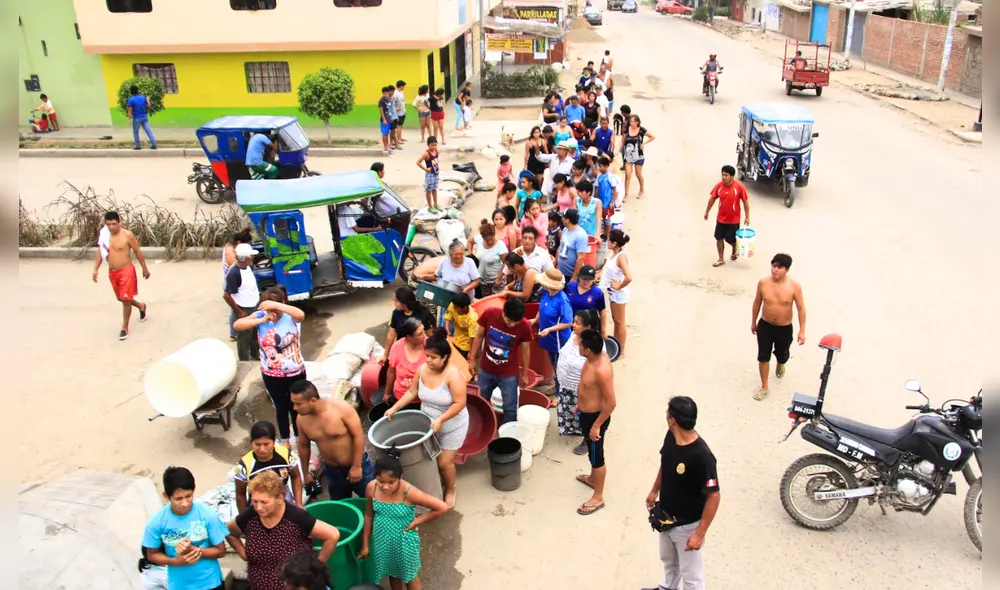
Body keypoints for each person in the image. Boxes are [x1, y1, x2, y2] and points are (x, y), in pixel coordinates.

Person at [642, 396, 720, 590]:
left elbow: (714, 495)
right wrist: (654, 490)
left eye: (667, 412)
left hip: (687, 526)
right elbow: (665, 463)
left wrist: (699, 533)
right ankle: (668, 587)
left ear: (672, 420)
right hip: (666, 518)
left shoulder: (702, 456)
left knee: (692, 577)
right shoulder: (671, 436)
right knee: (669, 561)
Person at [386, 330, 469, 507]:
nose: (428, 361)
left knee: (444, 462)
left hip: (452, 424)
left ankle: (451, 488)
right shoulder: (423, 370)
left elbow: (459, 403)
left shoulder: (454, 376)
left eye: (433, 357)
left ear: (445, 357)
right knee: (430, 457)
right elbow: (412, 391)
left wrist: (441, 420)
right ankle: (438, 481)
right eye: (427, 356)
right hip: (429, 423)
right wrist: (394, 407)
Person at [225, 471, 340, 590]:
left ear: (280, 498)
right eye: (255, 501)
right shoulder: (249, 516)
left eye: (264, 502)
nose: (259, 507)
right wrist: (243, 554)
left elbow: (332, 535)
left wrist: (315, 566)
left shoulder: (296, 517)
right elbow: (228, 531)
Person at [358, 452, 450, 590]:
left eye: (391, 482)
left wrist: (416, 522)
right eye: (381, 481)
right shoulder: (372, 488)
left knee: (410, 576)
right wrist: (365, 544)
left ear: (400, 478)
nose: (385, 486)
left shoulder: (409, 492)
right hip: (382, 540)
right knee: (392, 572)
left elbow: (441, 507)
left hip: (404, 541)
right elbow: (368, 515)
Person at [233, 287, 307, 444]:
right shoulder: (261, 316)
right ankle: (286, 439)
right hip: (272, 375)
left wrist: (278, 306)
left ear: (283, 303)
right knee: (281, 407)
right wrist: (262, 319)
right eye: (269, 306)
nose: (274, 311)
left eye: (276, 306)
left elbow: (301, 315)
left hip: (295, 373)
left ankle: (301, 437)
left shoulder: (290, 316)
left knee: (297, 407)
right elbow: (237, 325)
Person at [142, 467, 227, 590]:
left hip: (210, 583)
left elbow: (221, 551)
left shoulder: (207, 514)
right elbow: (151, 554)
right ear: (166, 496)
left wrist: (194, 550)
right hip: (179, 585)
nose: (185, 503)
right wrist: (176, 561)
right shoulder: (156, 522)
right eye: (178, 499)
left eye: (188, 496)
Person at [293, 380, 375, 500]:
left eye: (298, 404)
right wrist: (305, 473)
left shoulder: (342, 409)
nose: (294, 408)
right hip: (332, 472)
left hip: (357, 465)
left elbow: (358, 436)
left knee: (372, 502)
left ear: (313, 401)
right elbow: (304, 446)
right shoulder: (301, 419)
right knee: (341, 508)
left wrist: (356, 467)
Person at [469, 297, 534, 425]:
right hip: (486, 369)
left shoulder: (525, 325)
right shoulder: (489, 314)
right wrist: (472, 359)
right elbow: (479, 336)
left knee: (510, 407)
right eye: (509, 321)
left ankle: (508, 434)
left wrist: (525, 374)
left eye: (516, 322)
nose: (512, 325)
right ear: (503, 312)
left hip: (508, 374)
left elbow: (526, 351)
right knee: (481, 401)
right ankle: (482, 428)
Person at [751, 253, 806, 400]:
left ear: (786, 270)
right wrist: (753, 321)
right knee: (763, 356)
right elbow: (757, 303)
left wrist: (802, 331)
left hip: (784, 328)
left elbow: (801, 308)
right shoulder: (763, 283)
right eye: (773, 266)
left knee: (783, 354)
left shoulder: (794, 286)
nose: (775, 269)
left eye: (779, 267)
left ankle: (780, 363)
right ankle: (764, 386)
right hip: (765, 326)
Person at [575, 329, 616, 516]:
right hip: (586, 414)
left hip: (595, 418)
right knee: (592, 453)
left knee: (597, 456)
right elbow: (586, 386)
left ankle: (598, 497)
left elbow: (611, 403)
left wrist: (596, 425)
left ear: (588, 350)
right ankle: (592, 478)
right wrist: (579, 403)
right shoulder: (591, 359)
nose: (578, 345)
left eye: (580, 343)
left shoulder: (601, 369)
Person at [92, 210, 149, 340]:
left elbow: (138, 252)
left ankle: (124, 327)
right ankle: (141, 306)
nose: (111, 227)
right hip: (112, 272)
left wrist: (144, 268)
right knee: (122, 298)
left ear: (119, 222)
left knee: (125, 301)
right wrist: (95, 269)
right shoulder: (105, 235)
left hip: (126, 271)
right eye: (108, 224)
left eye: (113, 224)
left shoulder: (127, 235)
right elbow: (100, 252)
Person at [556, 309, 604, 453]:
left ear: (588, 327)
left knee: (585, 415)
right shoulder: (573, 335)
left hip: (583, 389)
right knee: (570, 412)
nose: (573, 325)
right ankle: (574, 429)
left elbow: (598, 370)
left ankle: (587, 440)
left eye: (577, 323)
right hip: (567, 387)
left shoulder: (595, 346)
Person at [234, 421, 303, 513]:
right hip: (259, 506)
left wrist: (298, 503)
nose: (262, 449)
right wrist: (244, 519)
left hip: (283, 499)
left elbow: (296, 477)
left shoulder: (287, 455)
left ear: (274, 442)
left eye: (266, 444)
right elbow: (240, 494)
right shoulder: (244, 466)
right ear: (251, 443)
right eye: (257, 444)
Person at [533, 268, 573, 396]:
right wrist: (535, 320)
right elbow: (541, 308)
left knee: (558, 367)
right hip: (547, 338)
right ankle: (556, 387)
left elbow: (568, 322)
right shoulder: (546, 293)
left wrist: (550, 329)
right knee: (552, 363)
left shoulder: (562, 300)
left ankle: (559, 394)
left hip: (558, 340)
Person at [704, 164, 750, 267]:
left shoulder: (739, 187)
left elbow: (745, 203)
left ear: (732, 176)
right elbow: (712, 199)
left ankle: (734, 250)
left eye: (726, 175)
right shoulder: (719, 186)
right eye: (722, 175)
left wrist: (747, 217)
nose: (723, 177)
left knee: (731, 239)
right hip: (720, 219)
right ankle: (721, 259)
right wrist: (707, 212)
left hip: (734, 220)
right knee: (719, 238)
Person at [224, 243, 261, 360]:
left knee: (254, 333)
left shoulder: (247, 267)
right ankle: (244, 360)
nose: (253, 258)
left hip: (253, 306)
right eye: (251, 256)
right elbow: (226, 295)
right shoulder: (234, 273)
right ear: (245, 258)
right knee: (244, 338)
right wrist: (239, 312)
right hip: (244, 309)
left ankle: (255, 354)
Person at [380, 286, 433, 364]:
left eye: (396, 301)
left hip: (417, 350)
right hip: (401, 349)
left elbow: (430, 335)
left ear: (404, 304)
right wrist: (385, 355)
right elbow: (391, 336)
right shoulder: (396, 313)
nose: (394, 302)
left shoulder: (421, 314)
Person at [601, 230, 633, 358]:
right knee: (616, 320)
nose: (607, 242)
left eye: (609, 240)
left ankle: (622, 350)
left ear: (614, 243)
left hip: (619, 294)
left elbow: (629, 277)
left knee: (620, 322)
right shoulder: (615, 253)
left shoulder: (621, 257)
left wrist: (619, 286)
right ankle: (616, 345)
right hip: (613, 293)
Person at [385, 317, 428, 404]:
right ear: (409, 337)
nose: (424, 335)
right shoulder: (397, 347)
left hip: (424, 399)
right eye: (420, 334)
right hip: (401, 398)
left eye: (424, 331)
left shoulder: (429, 345)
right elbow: (391, 372)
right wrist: (387, 393)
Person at [222, 228, 254, 341]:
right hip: (232, 281)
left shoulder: (231, 246)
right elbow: (226, 295)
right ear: (239, 243)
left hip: (233, 279)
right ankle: (235, 333)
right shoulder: (231, 254)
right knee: (236, 308)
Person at [565, 264, 608, 339]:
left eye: (589, 279)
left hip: (587, 327)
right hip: (569, 324)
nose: (587, 281)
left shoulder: (598, 293)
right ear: (579, 277)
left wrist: (603, 331)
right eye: (584, 279)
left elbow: (602, 312)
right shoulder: (570, 286)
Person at [469, 219, 509, 297]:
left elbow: (506, 263)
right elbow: (469, 241)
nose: (490, 242)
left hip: (496, 279)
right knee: (486, 300)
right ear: (482, 237)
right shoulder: (479, 239)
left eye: (491, 239)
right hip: (483, 279)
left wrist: (499, 278)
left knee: (497, 301)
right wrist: (471, 255)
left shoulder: (500, 245)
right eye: (487, 240)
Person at [620, 114, 655, 198]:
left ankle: (642, 189)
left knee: (638, 174)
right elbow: (622, 141)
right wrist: (618, 150)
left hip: (638, 154)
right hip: (628, 155)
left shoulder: (641, 130)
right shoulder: (626, 130)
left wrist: (644, 143)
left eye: (633, 122)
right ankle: (626, 194)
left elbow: (652, 136)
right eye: (631, 121)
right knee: (628, 174)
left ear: (637, 122)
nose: (631, 123)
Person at [558, 209, 589, 284]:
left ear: (567, 220)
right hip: (561, 273)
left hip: (571, 276)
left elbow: (581, 258)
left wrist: (574, 277)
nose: (562, 219)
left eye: (563, 217)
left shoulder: (581, 235)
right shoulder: (565, 230)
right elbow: (561, 247)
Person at [444, 292, 477, 359]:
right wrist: (447, 329)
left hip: (465, 346)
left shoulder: (473, 319)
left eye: (456, 307)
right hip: (455, 340)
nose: (454, 309)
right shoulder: (453, 305)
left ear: (464, 308)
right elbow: (448, 317)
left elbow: (472, 338)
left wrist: (471, 353)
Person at [127, 84, 157, 150]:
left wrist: (129, 119)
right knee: (148, 130)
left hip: (136, 118)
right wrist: (148, 99)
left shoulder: (131, 100)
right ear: (138, 90)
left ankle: (138, 146)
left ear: (131, 92)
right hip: (144, 117)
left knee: (135, 132)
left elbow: (130, 111)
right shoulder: (143, 97)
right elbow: (149, 106)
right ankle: (154, 144)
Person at [417, 136, 441, 211]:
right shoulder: (426, 153)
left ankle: (436, 204)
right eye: (432, 145)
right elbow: (418, 162)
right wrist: (426, 169)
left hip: (436, 173)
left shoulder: (436, 150)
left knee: (434, 189)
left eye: (435, 145)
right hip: (430, 174)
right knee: (429, 190)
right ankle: (430, 207)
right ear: (428, 145)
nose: (434, 147)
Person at [378, 85, 395, 155]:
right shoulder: (381, 101)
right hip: (384, 120)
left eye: (386, 93)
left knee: (387, 133)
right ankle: (385, 146)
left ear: (389, 93)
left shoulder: (390, 99)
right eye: (384, 93)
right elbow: (381, 111)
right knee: (384, 134)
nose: (385, 94)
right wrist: (384, 119)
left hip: (389, 119)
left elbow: (390, 109)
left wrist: (392, 118)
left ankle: (387, 145)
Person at [393, 80, 408, 145]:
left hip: (403, 111)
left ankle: (400, 137)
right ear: (401, 86)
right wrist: (396, 108)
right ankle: (398, 139)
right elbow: (392, 102)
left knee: (401, 126)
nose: (404, 87)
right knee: (398, 126)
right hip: (398, 113)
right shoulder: (395, 93)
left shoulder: (401, 92)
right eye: (403, 86)